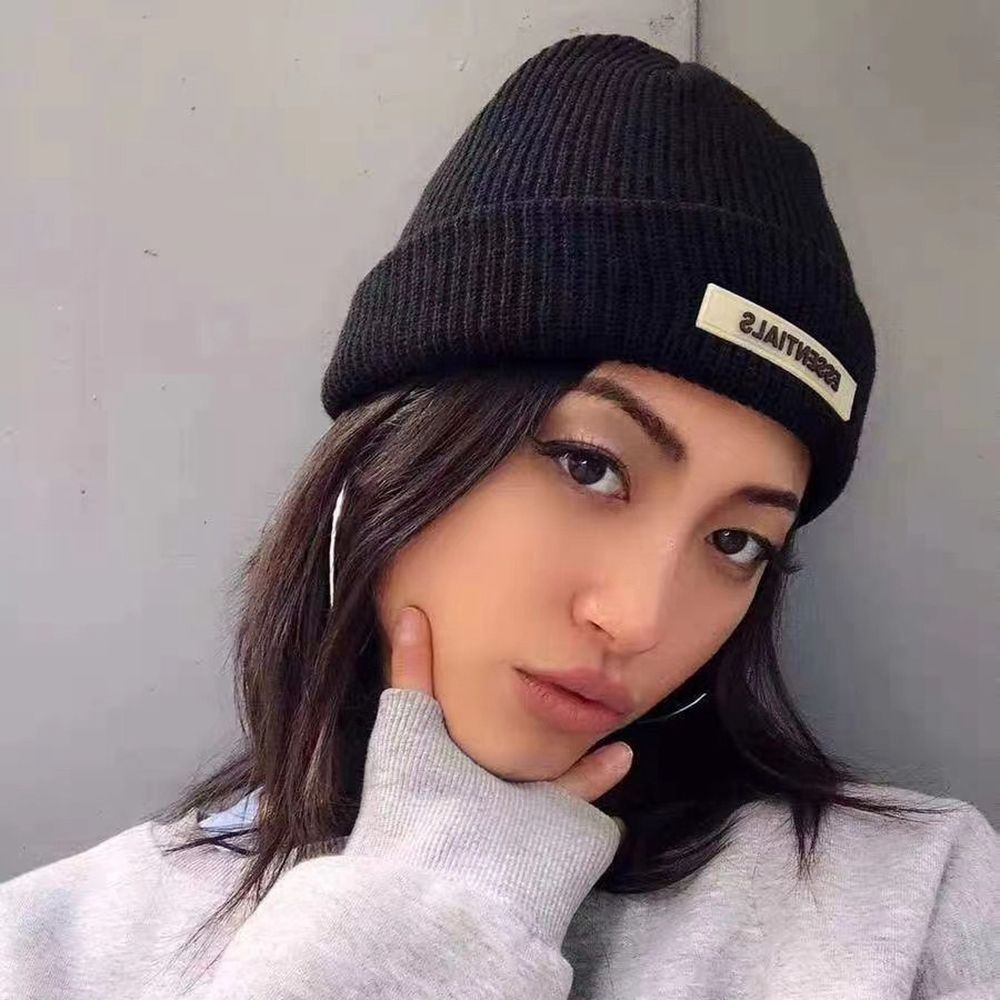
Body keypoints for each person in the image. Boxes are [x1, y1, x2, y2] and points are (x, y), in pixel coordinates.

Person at [1, 32, 996, 1000]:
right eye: (589, 466)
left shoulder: (914, 902)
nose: (637, 620)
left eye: (737, 542)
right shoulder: (50, 949)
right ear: (393, 453)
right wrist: (443, 898)